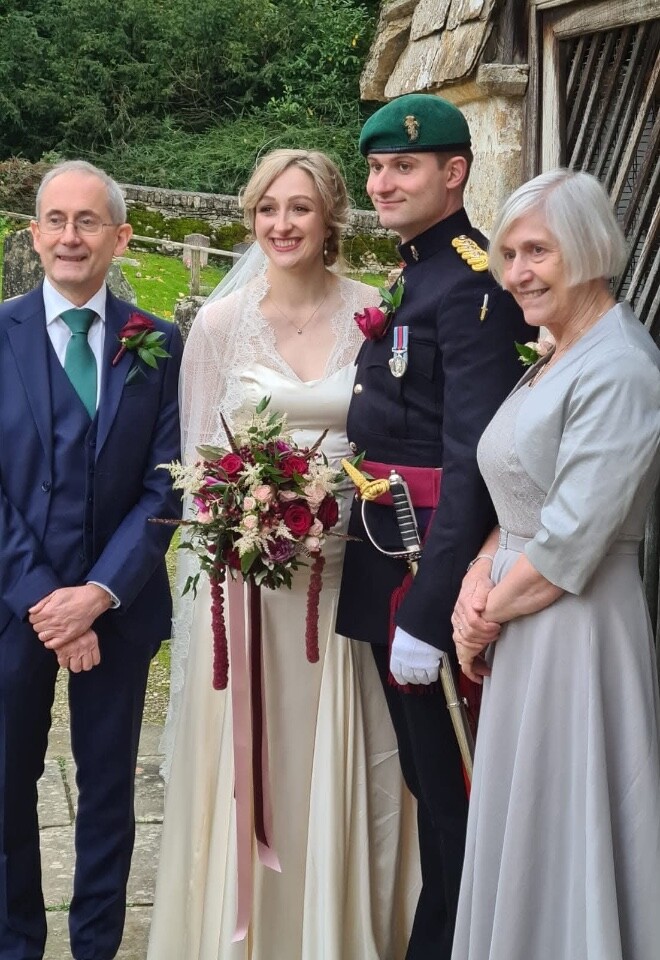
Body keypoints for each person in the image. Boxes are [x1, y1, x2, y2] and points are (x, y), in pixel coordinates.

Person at [147, 148, 420, 960]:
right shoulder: (221, 328)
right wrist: (245, 521)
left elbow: (398, 440)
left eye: (299, 207)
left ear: (330, 216)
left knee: (344, 766)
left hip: (345, 580)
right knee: (255, 767)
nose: (282, 223)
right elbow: (196, 471)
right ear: (251, 217)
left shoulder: (375, 312)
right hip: (253, 589)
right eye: (268, 208)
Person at [336, 94, 530, 960]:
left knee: (455, 794)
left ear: (454, 173)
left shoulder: (473, 281)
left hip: (429, 577)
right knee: (428, 785)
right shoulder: (420, 270)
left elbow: (474, 462)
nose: (382, 182)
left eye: (402, 166)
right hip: (390, 559)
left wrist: (425, 611)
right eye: (376, 167)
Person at [451, 168, 660, 960]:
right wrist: (477, 575)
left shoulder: (621, 366)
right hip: (522, 614)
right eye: (508, 254)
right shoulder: (557, 353)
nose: (516, 273)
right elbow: (517, 496)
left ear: (589, 249)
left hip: (576, 629)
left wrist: (480, 617)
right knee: (526, 819)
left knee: (568, 820)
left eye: (536, 251)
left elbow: (571, 539)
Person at [0, 159, 182, 960]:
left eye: (89, 222)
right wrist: (49, 602)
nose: (71, 236)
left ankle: (98, 946)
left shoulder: (159, 344)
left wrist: (99, 594)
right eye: (57, 221)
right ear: (35, 234)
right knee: (7, 788)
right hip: (13, 611)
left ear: (121, 237)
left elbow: (167, 482)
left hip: (121, 608)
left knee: (108, 790)